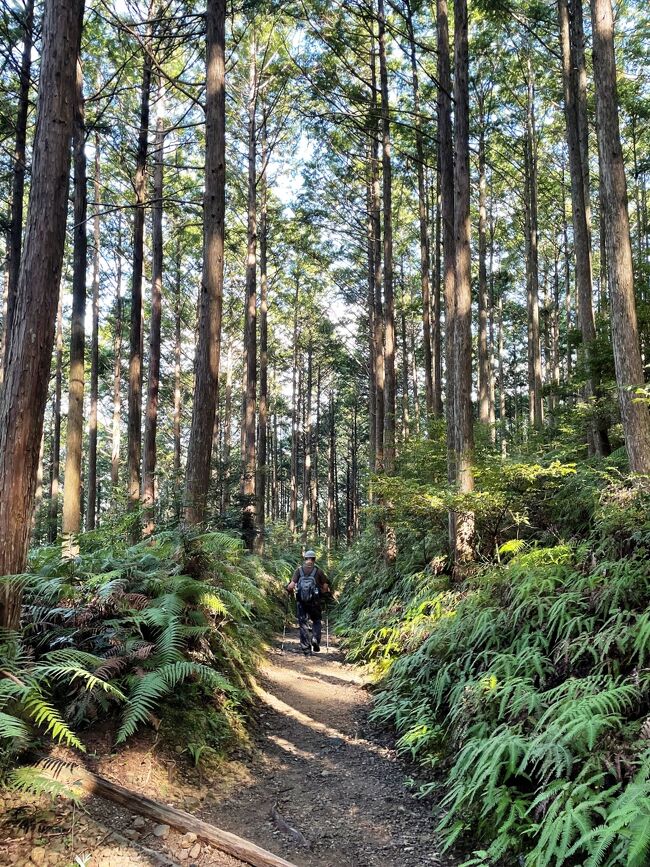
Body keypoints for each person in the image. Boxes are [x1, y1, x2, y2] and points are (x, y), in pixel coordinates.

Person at [286, 550, 330, 654]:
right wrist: (324, 594)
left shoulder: (299, 570)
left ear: (305, 559)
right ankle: (315, 639)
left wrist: (288, 589)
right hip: (315, 602)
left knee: (303, 623)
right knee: (316, 621)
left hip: (301, 601)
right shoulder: (318, 571)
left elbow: (291, 585)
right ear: (314, 559)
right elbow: (325, 586)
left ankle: (306, 648)